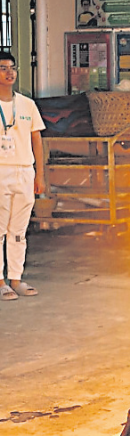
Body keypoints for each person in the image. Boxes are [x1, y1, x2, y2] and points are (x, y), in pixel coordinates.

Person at [0, 52, 45, 301]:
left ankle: (16, 278)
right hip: (0, 171)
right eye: (3, 68)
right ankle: (0, 281)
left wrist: (40, 174)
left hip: (24, 171)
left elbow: (36, 139)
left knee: (18, 230)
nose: (9, 72)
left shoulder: (27, 104)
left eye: (12, 68)